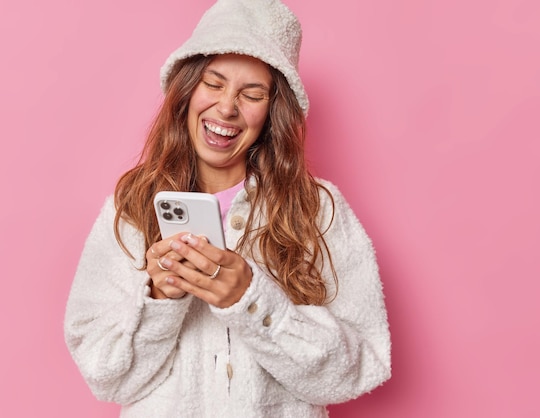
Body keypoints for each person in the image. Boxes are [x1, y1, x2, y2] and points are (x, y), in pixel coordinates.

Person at [64, 0, 391, 416]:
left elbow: (359, 370)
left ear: (273, 112)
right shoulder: (130, 206)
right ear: (187, 90)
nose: (226, 108)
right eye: (213, 83)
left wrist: (251, 300)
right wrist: (160, 298)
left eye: (252, 94)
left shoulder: (318, 209)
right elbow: (105, 376)